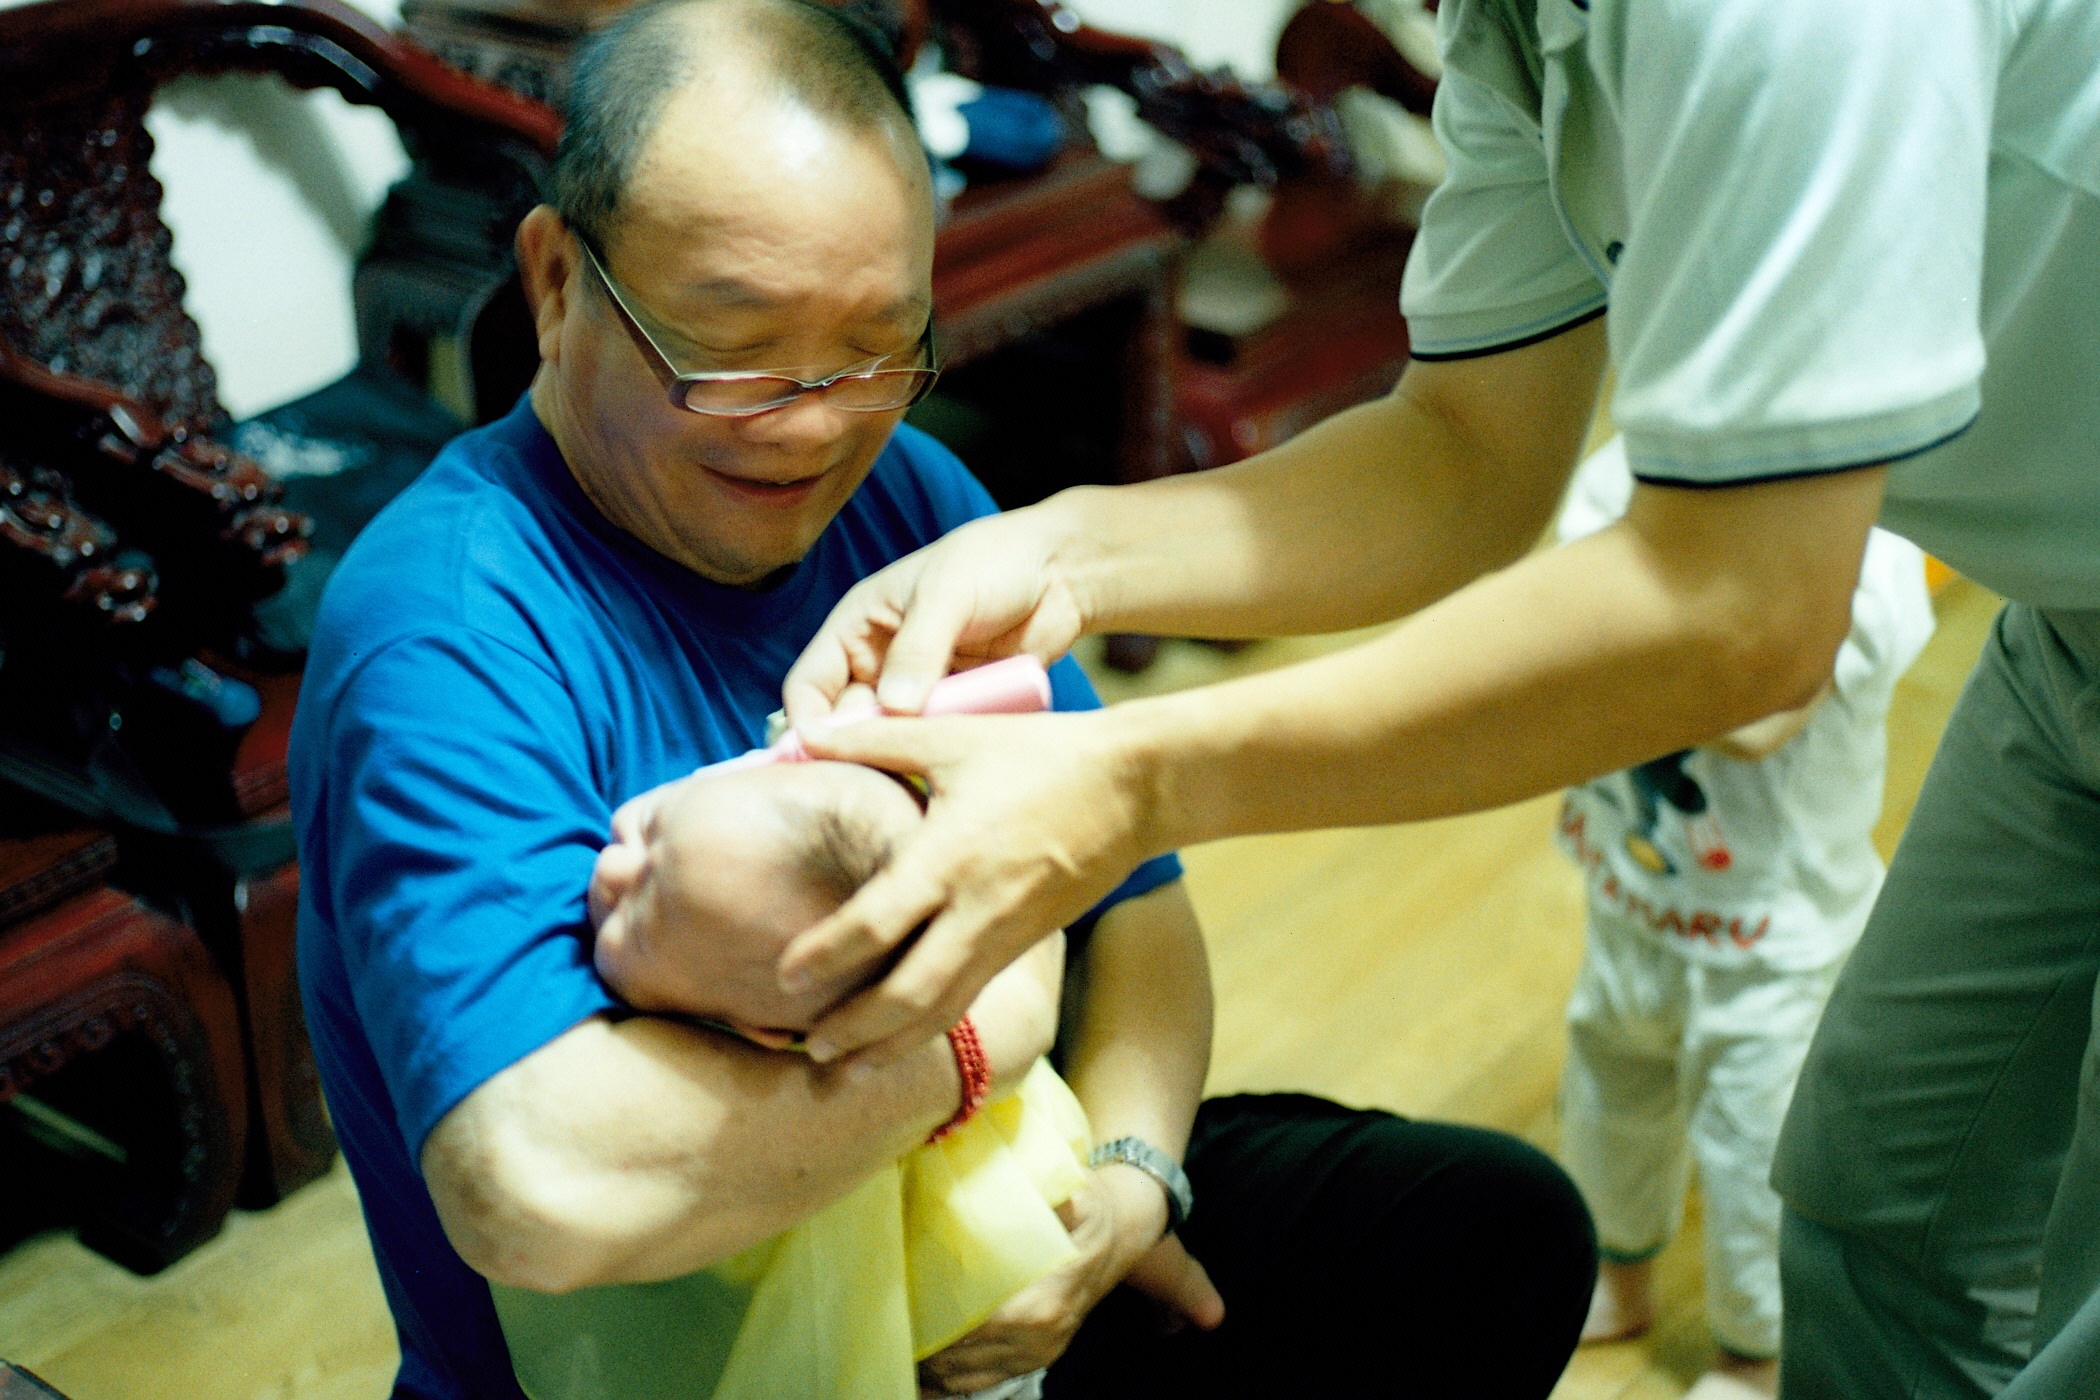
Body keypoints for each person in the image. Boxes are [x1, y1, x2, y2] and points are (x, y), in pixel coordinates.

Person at [773, 2, 2100, 1396]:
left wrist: (1138, 778)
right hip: (2071, 624)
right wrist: (1061, 547)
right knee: (1880, 1196)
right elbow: (1467, 451)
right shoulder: (1523, 27)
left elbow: (1743, 612)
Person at [288, 2, 1596, 1396]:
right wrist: (984, 1035)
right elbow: (540, 1183)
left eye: (875, 347)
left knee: (1489, 1232)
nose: (811, 425)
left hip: (988, 1240)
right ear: (556, 284)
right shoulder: (446, 626)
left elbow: (1138, 919)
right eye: (730, 350)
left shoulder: (909, 499)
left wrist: (1124, 1186)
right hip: (672, 1358)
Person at [1550, 440, 1935, 1399]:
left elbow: (1767, 706)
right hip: (1636, 899)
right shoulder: (1622, 476)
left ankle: (1756, 1356)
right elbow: (1563, 619)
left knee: (1753, 1146)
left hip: (1771, 943)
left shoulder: (1871, 550)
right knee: (1610, 1082)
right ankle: (1619, 1268)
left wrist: (1625, 629)